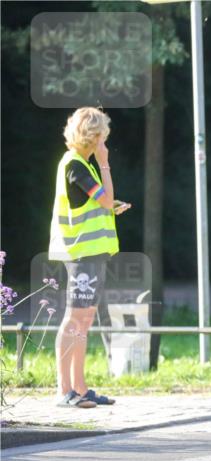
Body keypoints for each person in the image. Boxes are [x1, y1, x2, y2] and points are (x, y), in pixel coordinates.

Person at [48, 107, 131, 408]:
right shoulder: (77, 166)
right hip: (82, 253)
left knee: (83, 320)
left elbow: (98, 203)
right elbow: (105, 198)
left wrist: (111, 206)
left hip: (91, 254)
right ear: (93, 136)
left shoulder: (82, 165)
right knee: (74, 319)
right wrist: (106, 164)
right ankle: (64, 391)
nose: (104, 143)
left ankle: (79, 388)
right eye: (102, 137)